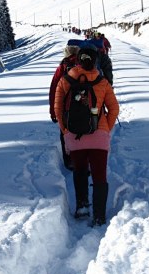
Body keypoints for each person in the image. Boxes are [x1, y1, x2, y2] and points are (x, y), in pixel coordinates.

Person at [54, 43, 119, 226]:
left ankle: (82, 206)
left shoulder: (65, 80)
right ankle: (99, 216)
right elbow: (114, 108)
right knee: (100, 176)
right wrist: (105, 129)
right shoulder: (102, 82)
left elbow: (58, 109)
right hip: (99, 137)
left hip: (75, 137)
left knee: (80, 171)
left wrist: (66, 131)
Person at [49, 40, 80, 169]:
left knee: (65, 133)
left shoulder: (62, 67)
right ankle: (83, 159)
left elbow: (53, 89)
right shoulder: (85, 65)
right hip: (83, 106)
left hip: (64, 109)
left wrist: (53, 111)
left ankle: (69, 160)